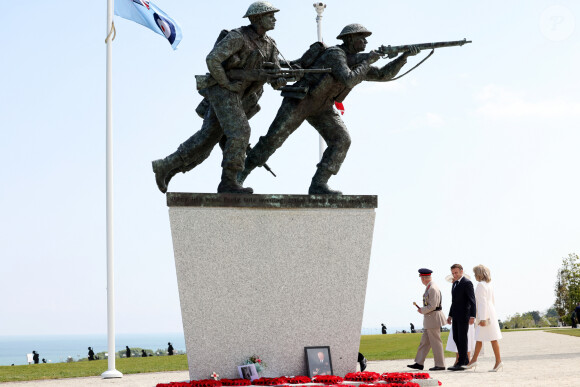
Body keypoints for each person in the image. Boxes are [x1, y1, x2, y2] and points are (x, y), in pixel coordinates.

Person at [240, 23, 419, 194]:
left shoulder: (356, 60)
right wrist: (367, 62)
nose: (365, 42)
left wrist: (403, 58)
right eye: (361, 38)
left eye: (366, 39)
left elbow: (382, 75)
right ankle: (240, 175)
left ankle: (319, 184)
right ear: (349, 39)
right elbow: (348, 78)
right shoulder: (336, 54)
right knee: (274, 139)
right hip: (301, 100)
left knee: (341, 140)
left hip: (323, 107)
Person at [152, 1, 287, 194]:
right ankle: (229, 182)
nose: (274, 19)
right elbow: (213, 59)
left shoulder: (270, 45)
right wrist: (226, 83)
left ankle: (166, 166)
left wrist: (282, 79)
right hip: (223, 91)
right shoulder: (238, 36)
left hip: (240, 96)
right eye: (270, 15)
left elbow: (274, 79)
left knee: (206, 139)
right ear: (257, 18)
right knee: (240, 131)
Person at [464, 265, 503, 372]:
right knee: (483, 338)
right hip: (491, 312)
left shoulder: (480, 285)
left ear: (479, 274)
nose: (474, 275)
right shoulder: (489, 285)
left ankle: (497, 361)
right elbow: (491, 301)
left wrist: (483, 318)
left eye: (475, 273)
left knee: (486, 338)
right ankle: (475, 360)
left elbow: (482, 303)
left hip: (485, 315)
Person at [407, 268, 446, 371]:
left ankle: (440, 364)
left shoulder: (432, 288)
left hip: (433, 318)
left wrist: (422, 310)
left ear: (424, 278)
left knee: (436, 343)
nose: (421, 280)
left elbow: (433, 305)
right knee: (424, 342)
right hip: (430, 319)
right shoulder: (430, 287)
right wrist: (423, 310)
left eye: (421, 278)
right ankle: (419, 363)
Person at [447, 263, 476, 371]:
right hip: (455, 316)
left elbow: (472, 301)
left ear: (461, 271)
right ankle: (464, 361)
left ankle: (462, 361)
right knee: (456, 337)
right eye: (453, 273)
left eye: (456, 273)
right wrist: (450, 315)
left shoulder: (467, 283)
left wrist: (472, 315)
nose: (454, 275)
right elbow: (453, 302)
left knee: (462, 339)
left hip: (465, 315)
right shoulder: (454, 284)